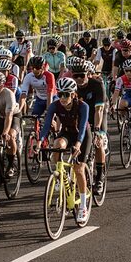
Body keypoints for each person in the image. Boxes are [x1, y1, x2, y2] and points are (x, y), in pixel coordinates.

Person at [40, 77, 92, 222]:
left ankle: (82, 206)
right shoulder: (55, 105)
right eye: (60, 94)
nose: (62, 98)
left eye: (66, 94)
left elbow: (82, 128)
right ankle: (59, 176)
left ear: (74, 94)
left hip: (83, 135)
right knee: (57, 144)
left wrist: (79, 144)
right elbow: (46, 125)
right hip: (67, 132)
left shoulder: (83, 106)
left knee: (78, 169)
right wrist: (40, 140)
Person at [68, 56, 107, 195]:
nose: (79, 79)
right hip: (81, 119)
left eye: (82, 75)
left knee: (98, 143)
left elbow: (99, 110)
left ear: (88, 74)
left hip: (97, 116)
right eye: (75, 76)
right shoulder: (71, 86)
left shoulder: (97, 85)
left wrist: (97, 129)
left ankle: (100, 177)